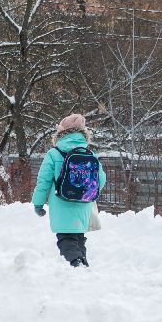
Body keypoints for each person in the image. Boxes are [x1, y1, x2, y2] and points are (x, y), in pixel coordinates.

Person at [31, 113, 105, 267]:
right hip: (84, 202)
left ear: (61, 133)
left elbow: (43, 181)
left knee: (65, 236)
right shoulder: (90, 154)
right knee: (78, 236)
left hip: (61, 202)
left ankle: (75, 262)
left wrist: (38, 203)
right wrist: (87, 192)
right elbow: (101, 179)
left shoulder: (54, 153)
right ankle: (82, 263)